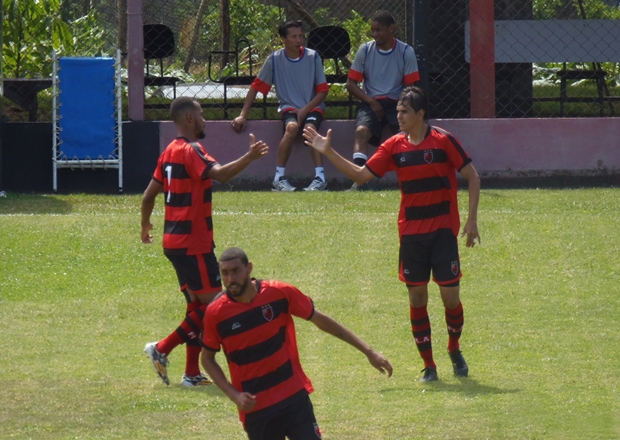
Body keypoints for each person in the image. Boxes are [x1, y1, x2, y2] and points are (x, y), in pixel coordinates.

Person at [303, 86, 481, 382]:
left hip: (443, 234)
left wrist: (472, 220)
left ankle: (454, 347)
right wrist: (328, 151)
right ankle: (429, 365)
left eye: (404, 111)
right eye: (397, 111)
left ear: (420, 114)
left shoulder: (443, 141)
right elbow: (360, 176)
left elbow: (472, 176)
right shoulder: (393, 146)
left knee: (450, 298)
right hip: (411, 237)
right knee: (417, 298)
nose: (398, 116)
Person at [141, 97, 269, 386]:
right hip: (193, 243)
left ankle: (191, 374)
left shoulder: (168, 152)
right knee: (215, 306)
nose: (205, 120)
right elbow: (221, 175)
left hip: (173, 242)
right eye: (201, 114)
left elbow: (149, 195)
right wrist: (249, 157)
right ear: (189, 119)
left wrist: (145, 224)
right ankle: (161, 348)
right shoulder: (191, 150)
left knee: (195, 307)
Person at [201, 247, 393, 439]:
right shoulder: (216, 313)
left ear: (249, 268)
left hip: (293, 398)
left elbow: (321, 321)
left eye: (235, 271)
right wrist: (234, 395)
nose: (230, 279)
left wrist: (369, 351)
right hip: (257, 409)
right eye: (225, 273)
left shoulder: (279, 293)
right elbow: (207, 359)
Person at [231, 20, 330, 192]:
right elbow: (255, 87)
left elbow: (322, 91)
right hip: (289, 108)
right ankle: (279, 178)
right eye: (293, 36)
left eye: (300, 36)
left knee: (310, 129)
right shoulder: (274, 60)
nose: (298, 40)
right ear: (283, 39)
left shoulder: (313, 57)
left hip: (312, 107)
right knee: (291, 128)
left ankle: (320, 178)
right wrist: (243, 115)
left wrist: (304, 110)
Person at [346, 10, 420, 190]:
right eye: (373, 30)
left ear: (391, 29)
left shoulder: (405, 51)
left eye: (379, 30)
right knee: (361, 132)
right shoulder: (365, 50)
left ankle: (413, 180)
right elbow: (351, 84)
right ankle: (360, 180)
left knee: (408, 136)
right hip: (371, 101)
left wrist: (402, 108)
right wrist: (371, 102)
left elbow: (411, 87)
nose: (375, 34)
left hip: (398, 101)